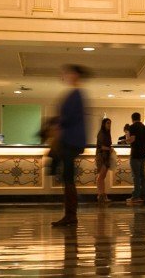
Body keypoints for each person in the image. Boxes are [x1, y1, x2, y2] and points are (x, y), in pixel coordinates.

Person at [52, 65, 88, 227]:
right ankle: (70, 214)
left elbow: (69, 118)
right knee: (68, 177)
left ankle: (71, 215)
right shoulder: (76, 94)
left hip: (70, 141)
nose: (64, 75)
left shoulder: (76, 94)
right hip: (71, 140)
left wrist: (58, 124)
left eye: (66, 73)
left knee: (68, 177)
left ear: (74, 75)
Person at [127, 112, 145, 205]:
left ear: (132, 119)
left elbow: (132, 139)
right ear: (140, 118)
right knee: (142, 175)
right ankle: (144, 195)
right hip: (143, 154)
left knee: (136, 176)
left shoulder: (132, 127)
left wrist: (126, 140)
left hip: (135, 154)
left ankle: (136, 196)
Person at [95, 118, 114, 205]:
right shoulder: (101, 133)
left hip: (106, 156)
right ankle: (100, 195)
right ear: (103, 124)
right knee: (101, 176)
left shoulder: (107, 133)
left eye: (110, 123)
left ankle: (102, 195)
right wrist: (109, 148)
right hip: (102, 156)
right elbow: (100, 146)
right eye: (107, 123)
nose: (109, 125)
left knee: (103, 176)